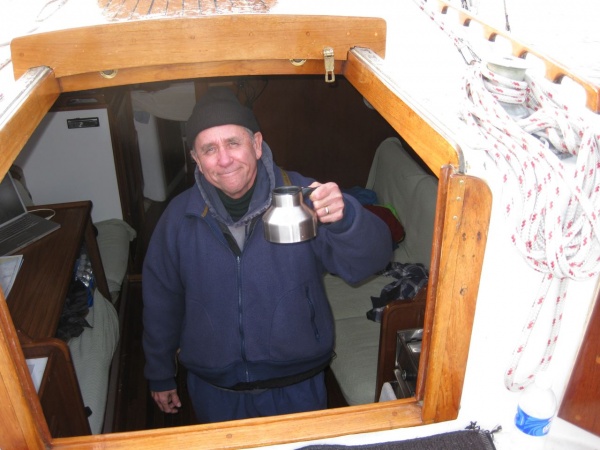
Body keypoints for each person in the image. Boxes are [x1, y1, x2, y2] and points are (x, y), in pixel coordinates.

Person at [142, 87, 392, 424]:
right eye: (210, 149)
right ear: (196, 160)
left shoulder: (305, 199)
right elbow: (160, 300)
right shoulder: (178, 218)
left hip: (297, 384)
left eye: (233, 143)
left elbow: (372, 261)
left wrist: (346, 218)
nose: (225, 159)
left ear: (257, 144)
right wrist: (159, 372)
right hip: (215, 389)